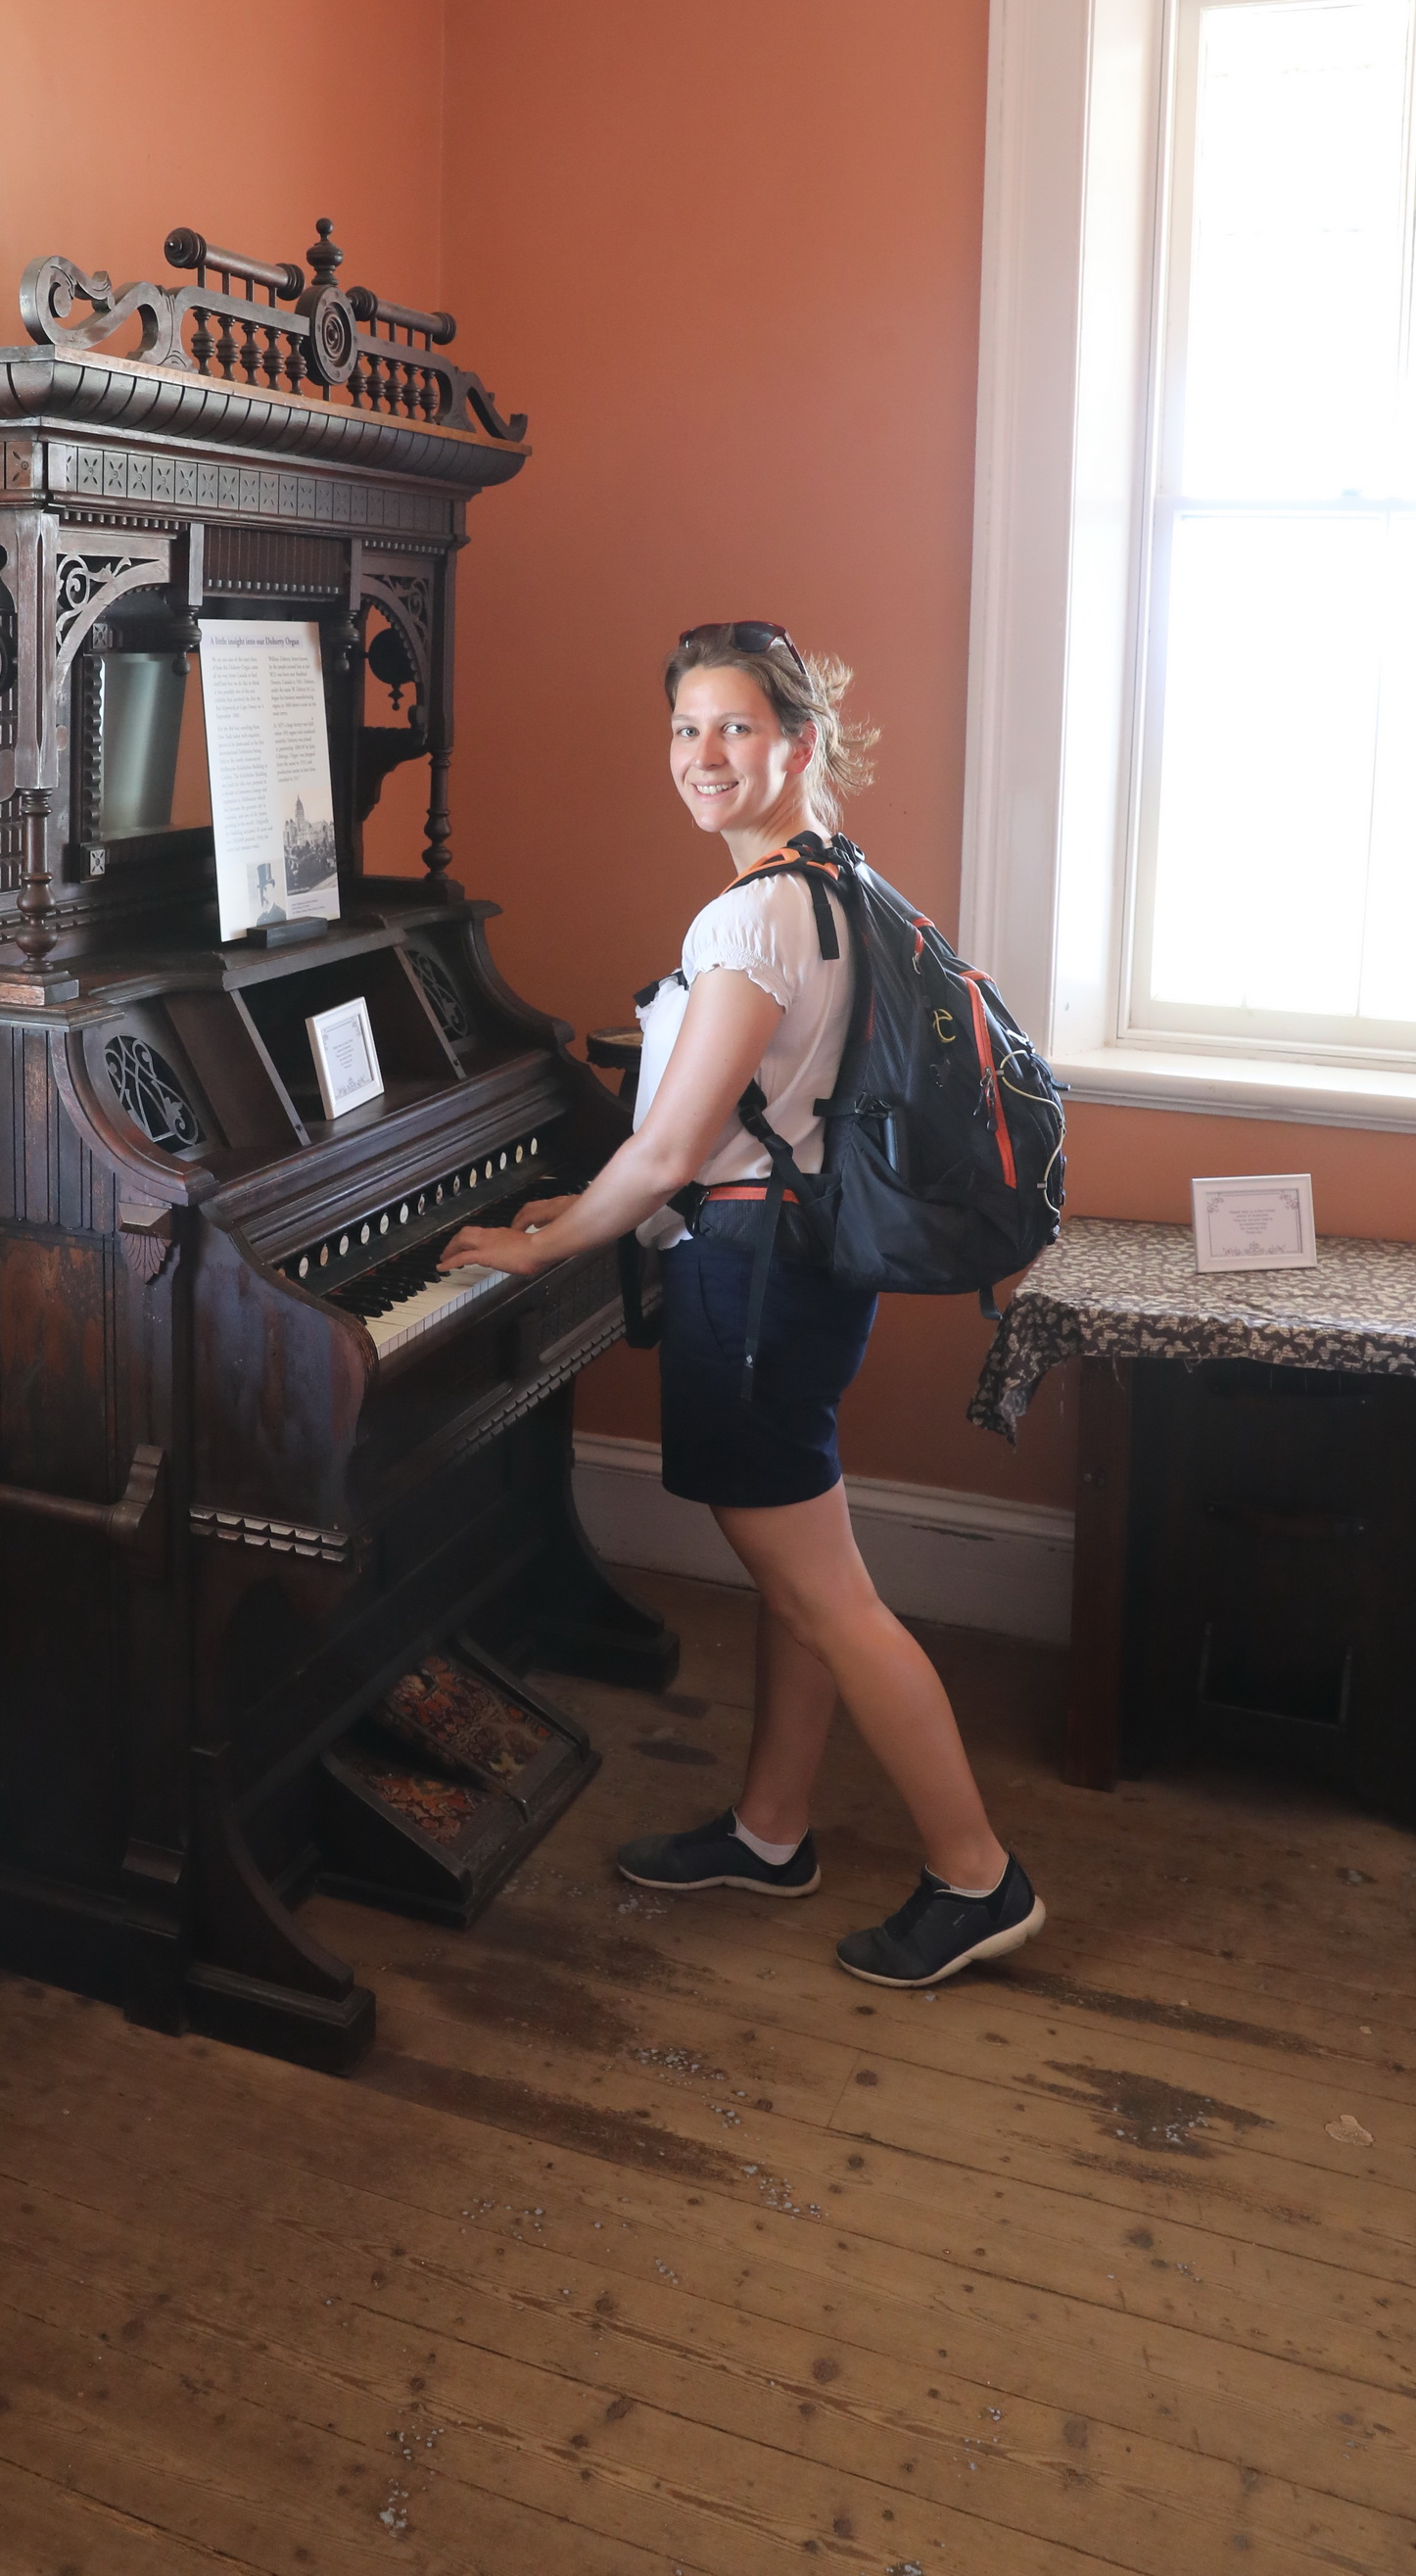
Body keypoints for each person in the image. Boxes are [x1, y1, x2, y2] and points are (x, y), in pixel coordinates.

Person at [439, 621, 1043, 1990]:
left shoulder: (752, 916)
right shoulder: (846, 885)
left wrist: (546, 1249)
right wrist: (588, 1207)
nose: (704, 758)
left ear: (800, 742)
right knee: (800, 1580)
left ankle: (975, 1873)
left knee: (828, 1594)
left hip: (751, 1280)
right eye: (683, 731)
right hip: (813, 1269)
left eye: (735, 730)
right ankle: (773, 1832)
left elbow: (666, 1151)